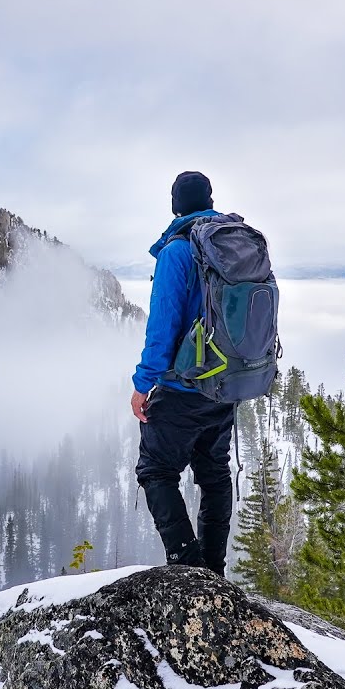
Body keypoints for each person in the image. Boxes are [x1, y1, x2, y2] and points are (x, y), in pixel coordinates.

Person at [130, 171, 236, 577]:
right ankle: (213, 570)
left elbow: (163, 325)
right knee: (214, 474)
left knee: (156, 470)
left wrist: (144, 384)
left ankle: (187, 568)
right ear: (210, 199)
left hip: (182, 387)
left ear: (176, 206)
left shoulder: (178, 251)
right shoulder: (231, 244)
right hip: (225, 385)